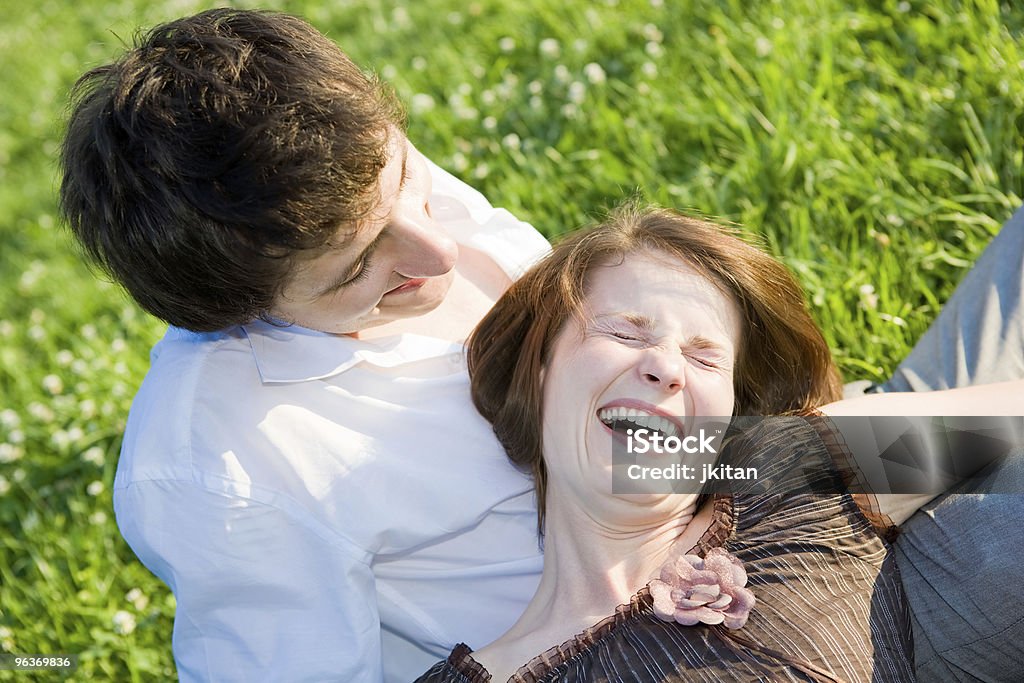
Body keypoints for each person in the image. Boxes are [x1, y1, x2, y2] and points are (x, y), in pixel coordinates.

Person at [58, 7, 1024, 683]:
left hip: (782, 475)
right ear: (243, 312)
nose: (440, 254)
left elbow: (756, 451)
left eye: (411, 184)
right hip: (758, 616)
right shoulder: (223, 470)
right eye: (361, 269)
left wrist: (833, 445)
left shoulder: (349, 177)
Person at [415, 206, 1023, 682]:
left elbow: (1004, 417)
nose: (666, 366)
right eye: (625, 333)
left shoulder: (776, 469)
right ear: (540, 366)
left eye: (705, 357)